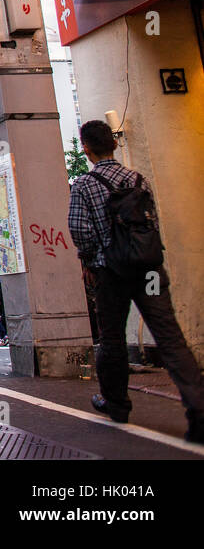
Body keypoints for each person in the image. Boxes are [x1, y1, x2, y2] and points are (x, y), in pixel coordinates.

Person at [68, 120, 204, 442]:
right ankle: (198, 409)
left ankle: (115, 403)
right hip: (150, 272)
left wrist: (89, 260)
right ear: (114, 145)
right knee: (170, 337)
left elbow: (79, 230)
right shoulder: (138, 179)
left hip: (111, 273)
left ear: (86, 148)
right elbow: (152, 221)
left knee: (112, 338)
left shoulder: (85, 185)